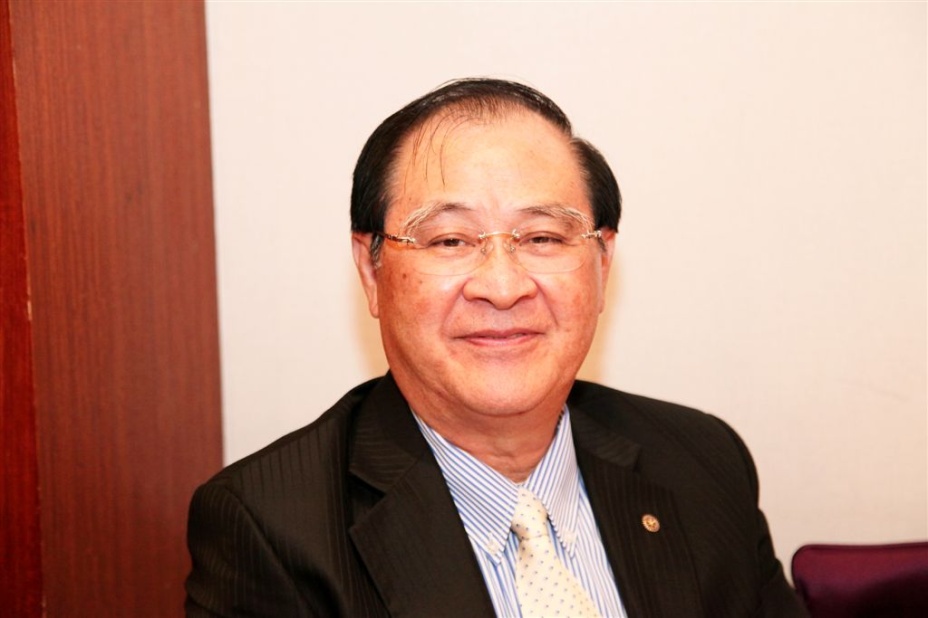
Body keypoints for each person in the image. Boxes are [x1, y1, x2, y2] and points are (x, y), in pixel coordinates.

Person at [185, 78, 807, 617]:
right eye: (450, 241)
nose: (504, 287)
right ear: (372, 271)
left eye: (543, 237)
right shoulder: (269, 529)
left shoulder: (703, 462)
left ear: (601, 263)